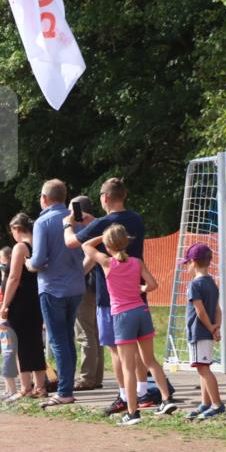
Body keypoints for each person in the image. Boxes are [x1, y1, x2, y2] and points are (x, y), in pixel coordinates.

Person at [66, 178, 154, 415]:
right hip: (137, 292)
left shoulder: (103, 223)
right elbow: (115, 232)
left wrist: (68, 223)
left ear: (105, 198)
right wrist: (95, 224)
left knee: (116, 349)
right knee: (135, 348)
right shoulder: (135, 219)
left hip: (111, 298)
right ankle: (144, 392)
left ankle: (125, 396)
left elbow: (72, 242)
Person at [84, 225, 176, 425]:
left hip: (122, 315)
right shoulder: (136, 261)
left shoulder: (107, 263)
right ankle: (166, 399)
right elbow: (152, 285)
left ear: (108, 246)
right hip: (141, 312)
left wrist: (103, 236)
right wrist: (141, 287)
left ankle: (133, 413)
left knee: (128, 367)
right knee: (150, 360)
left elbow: (86, 246)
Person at [28, 179, 85, 409]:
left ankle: (64, 391)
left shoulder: (42, 222)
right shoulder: (76, 219)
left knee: (58, 340)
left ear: (44, 198)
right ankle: (67, 386)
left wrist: (28, 263)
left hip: (52, 288)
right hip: (76, 286)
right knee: (68, 338)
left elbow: (39, 259)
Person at [0, 213, 48, 398]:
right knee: (35, 342)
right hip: (36, 298)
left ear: (17, 229)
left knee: (20, 344)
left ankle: (25, 387)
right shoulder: (40, 245)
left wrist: (5, 304)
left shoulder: (20, 247)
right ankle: (40, 386)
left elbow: (13, 277)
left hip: (20, 301)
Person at [180, 244, 225, 420]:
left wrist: (210, 327)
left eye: (187, 263)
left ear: (193, 262)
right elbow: (217, 309)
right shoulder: (212, 283)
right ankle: (205, 403)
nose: (187, 267)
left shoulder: (195, 284)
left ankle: (217, 404)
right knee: (202, 367)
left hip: (199, 332)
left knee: (203, 369)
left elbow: (200, 310)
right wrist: (216, 327)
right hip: (207, 331)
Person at [70, 195, 104, 391]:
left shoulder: (82, 228)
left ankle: (86, 378)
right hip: (95, 284)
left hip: (84, 284)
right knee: (94, 332)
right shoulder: (96, 226)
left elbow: (88, 257)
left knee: (84, 333)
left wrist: (76, 276)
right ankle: (95, 376)